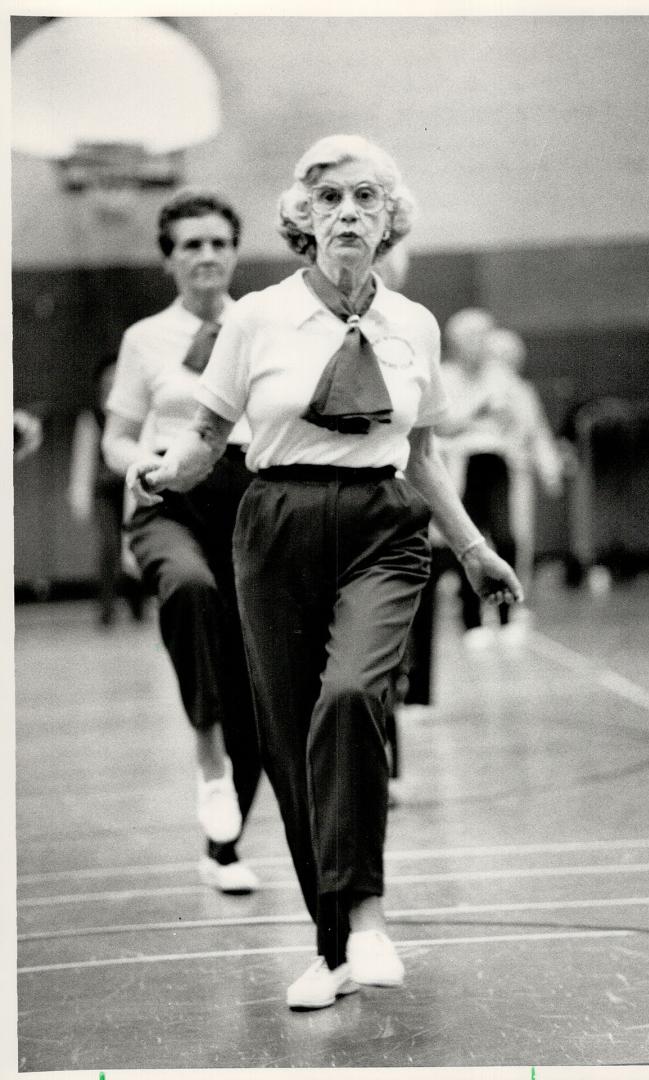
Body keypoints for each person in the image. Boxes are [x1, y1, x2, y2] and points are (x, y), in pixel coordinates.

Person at [128, 136, 522, 1011]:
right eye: (330, 198)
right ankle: (330, 944)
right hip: (272, 525)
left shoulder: (412, 323)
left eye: (366, 198)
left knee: (350, 698)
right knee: (288, 735)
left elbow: (419, 455)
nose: (347, 212)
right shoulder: (255, 319)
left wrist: (473, 547)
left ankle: (369, 917)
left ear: (390, 220)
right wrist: (162, 472)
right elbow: (207, 433)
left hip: (383, 526)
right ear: (303, 218)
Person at [101, 189, 261, 894]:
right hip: (167, 500)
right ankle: (205, 757)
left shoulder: (262, 327)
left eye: (218, 243)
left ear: (233, 252)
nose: (206, 256)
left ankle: (221, 852)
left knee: (254, 689)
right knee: (188, 587)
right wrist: (133, 464)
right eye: (191, 244)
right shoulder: (144, 339)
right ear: (169, 258)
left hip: (249, 507)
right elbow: (115, 438)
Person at [437, 319, 560, 647]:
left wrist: (547, 465)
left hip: (499, 463)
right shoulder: (445, 377)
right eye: (472, 337)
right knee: (468, 541)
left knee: (508, 538)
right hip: (460, 465)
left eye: (483, 337)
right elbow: (443, 426)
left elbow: (529, 425)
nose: (480, 345)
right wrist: (477, 410)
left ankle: (508, 614)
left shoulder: (502, 378)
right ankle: (472, 621)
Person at [67, 354, 146, 626]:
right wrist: (80, 495)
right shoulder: (91, 417)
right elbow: (83, 459)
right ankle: (106, 608)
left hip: (130, 488)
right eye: (107, 379)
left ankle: (137, 604)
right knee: (109, 546)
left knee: (134, 544)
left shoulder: (135, 413)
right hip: (104, 492)